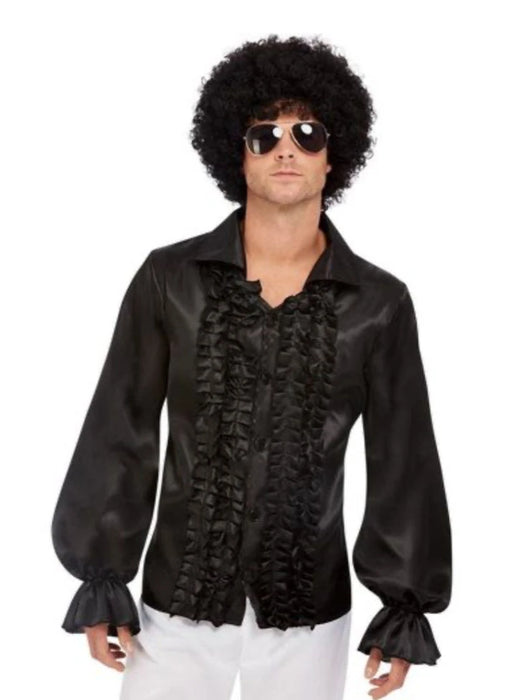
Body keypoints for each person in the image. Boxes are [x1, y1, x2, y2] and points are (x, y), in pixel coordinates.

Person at [51, 34, 452, 700]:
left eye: (307, 133)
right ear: (236, 154)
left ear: (334, 155)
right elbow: (120, 430)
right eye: (264, 135)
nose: (286, 148)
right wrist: (103, 578)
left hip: (308, 618)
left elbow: (403, 461)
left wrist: (403, 607)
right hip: (174, 610)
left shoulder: (379, 303)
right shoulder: (168, 279)